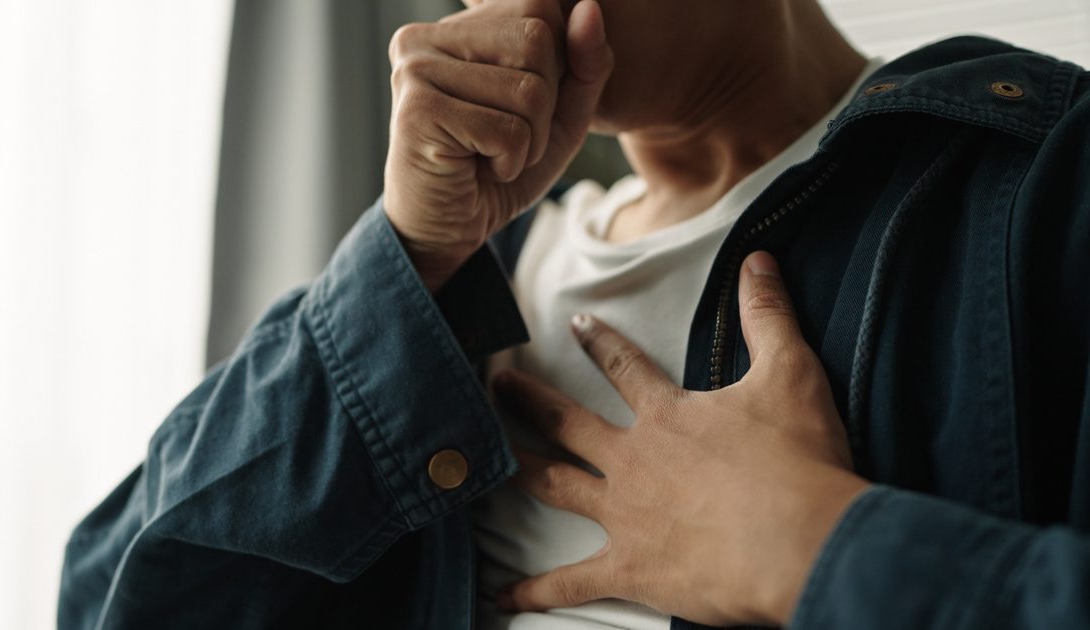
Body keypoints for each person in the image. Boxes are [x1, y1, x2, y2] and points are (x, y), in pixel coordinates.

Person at [58, 0, 1090, 628]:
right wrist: (404, 262)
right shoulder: (456, 283)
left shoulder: (1044, 183)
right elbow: (113, 602)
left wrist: (809, 548)